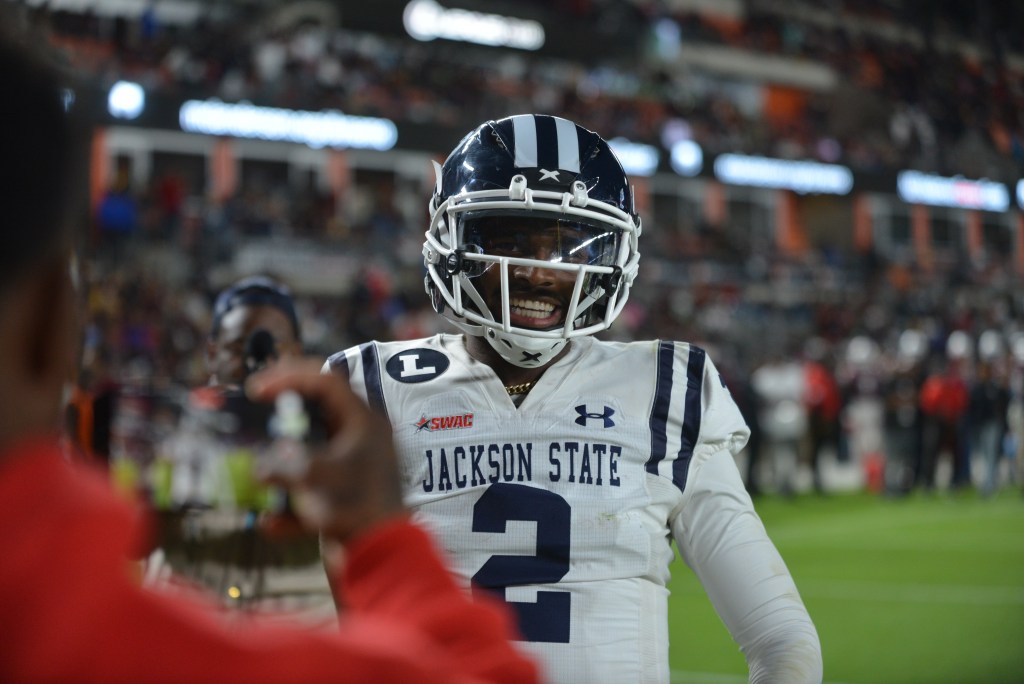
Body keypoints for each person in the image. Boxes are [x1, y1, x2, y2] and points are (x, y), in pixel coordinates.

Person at [0, 19, 539, 684]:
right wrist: (382, 539)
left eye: (271, 347)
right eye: (239, 348)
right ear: (56, 323)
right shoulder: (101, 641)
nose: (253, 366)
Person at [326, 114, 822, 683]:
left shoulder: (665, 388)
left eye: (571, 246)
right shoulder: (372, 387)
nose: (541, 272)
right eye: (509, 239)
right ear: (450, 244)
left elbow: (780, 637)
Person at [207, 275, 304, 388]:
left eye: (271, 350)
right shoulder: (190, 404)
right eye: (237, 350)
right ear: (212, 354)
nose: (252, 364)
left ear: (297, 354)